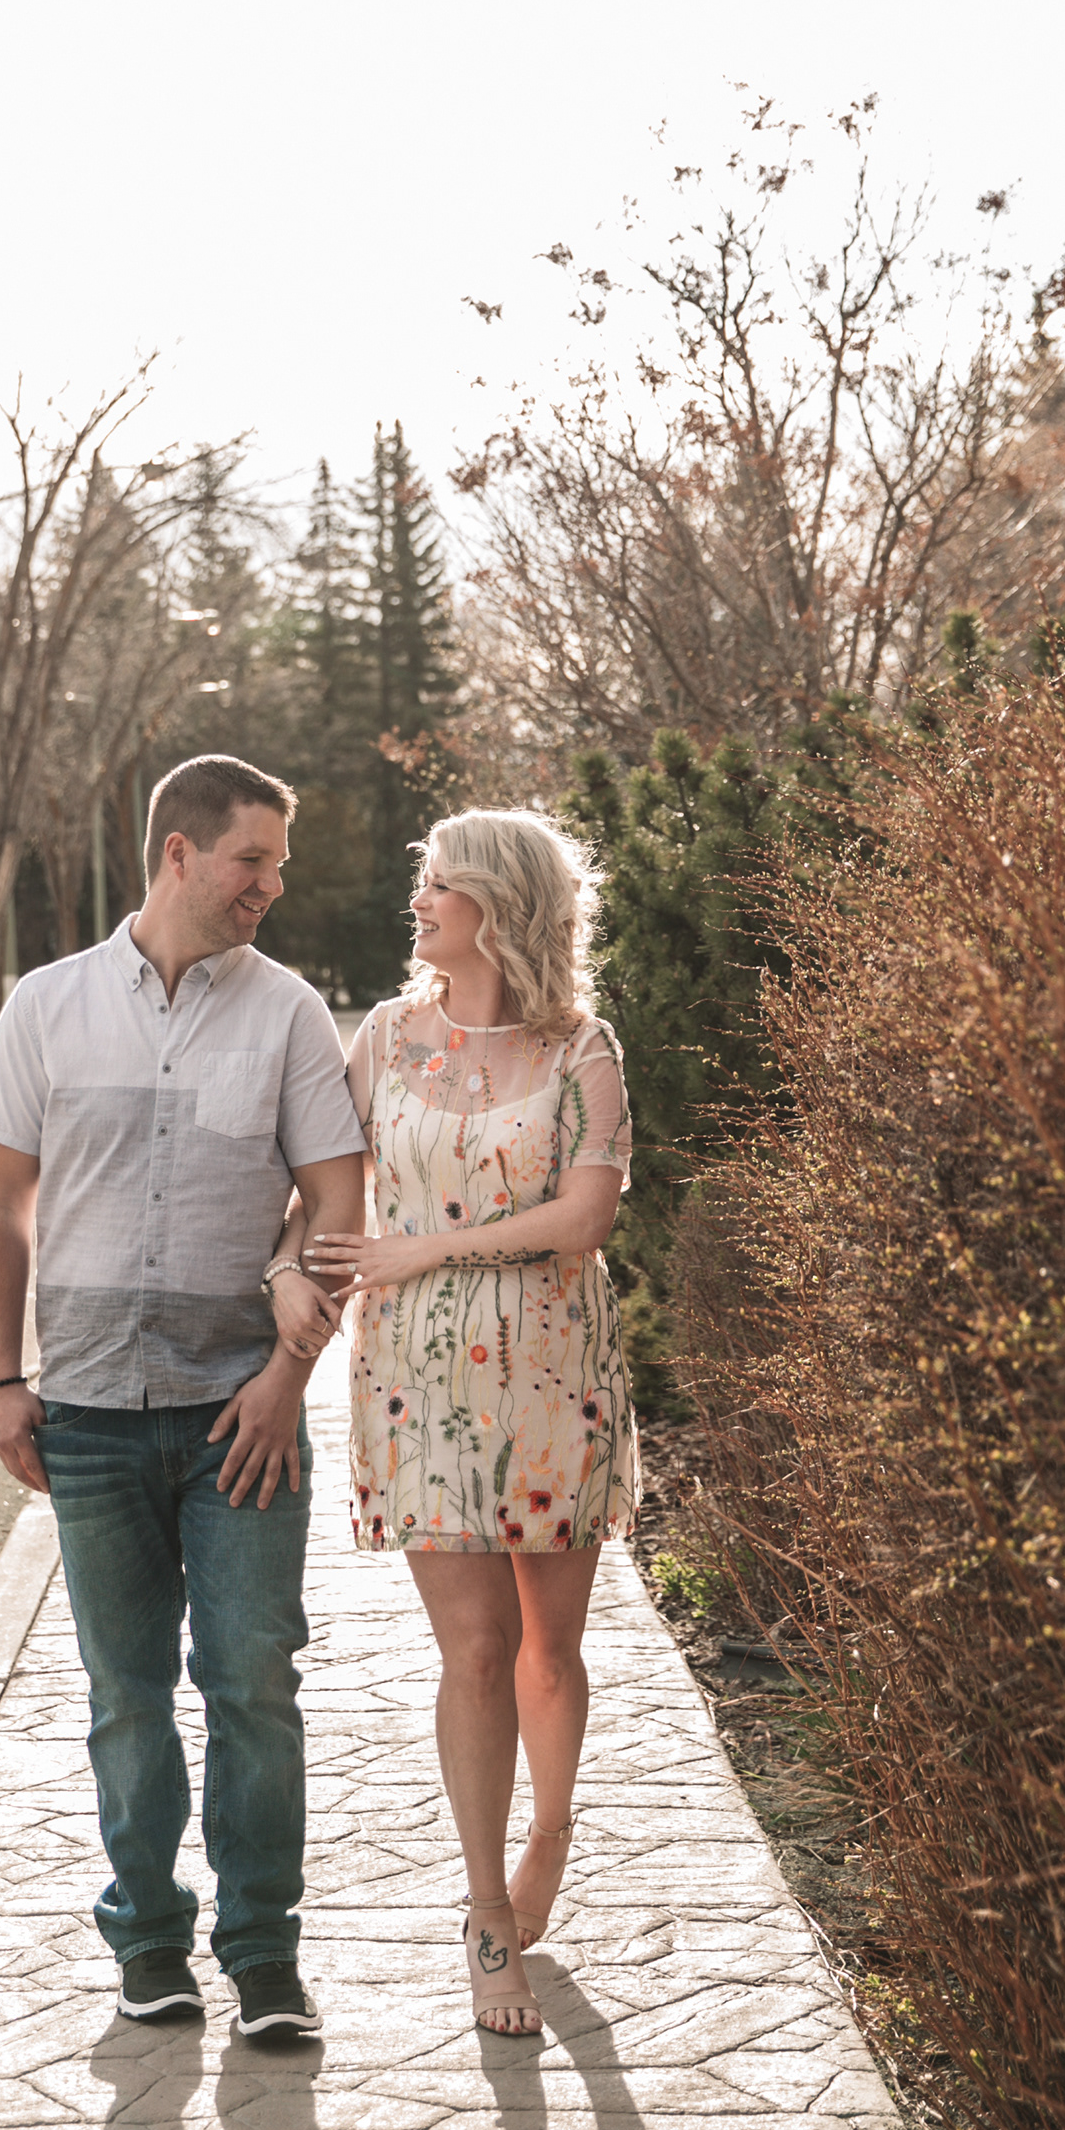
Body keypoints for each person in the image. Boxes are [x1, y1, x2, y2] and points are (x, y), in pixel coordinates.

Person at [0, 755, 365, 2039]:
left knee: (253, 1679)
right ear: (180, 853)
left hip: (242, 1414)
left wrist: (284, 1377)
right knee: (123, 1693)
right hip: (83, 1411)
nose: (273, 885)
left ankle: (261, 1958)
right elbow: (1, 1212)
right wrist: (1, 1383)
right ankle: (147, 1944)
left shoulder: (290, 1013)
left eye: (279, 864)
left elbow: (336, 1209)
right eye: (256, 859)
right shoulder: (48, 1006)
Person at [287, 809, 639, 2035]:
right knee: (476, 1653)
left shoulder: (582, 1050)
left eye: (438, 886)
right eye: (422, 884)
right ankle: (487, 1912)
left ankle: (553, 1828)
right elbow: (322, 1193)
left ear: (498, 902)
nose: (419, 904)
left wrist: (423, 1247)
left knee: (550, 1649)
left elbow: (584, 1220)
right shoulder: (382, 1039)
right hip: (417, 1388)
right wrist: (294, 1289)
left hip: (554, 1381)